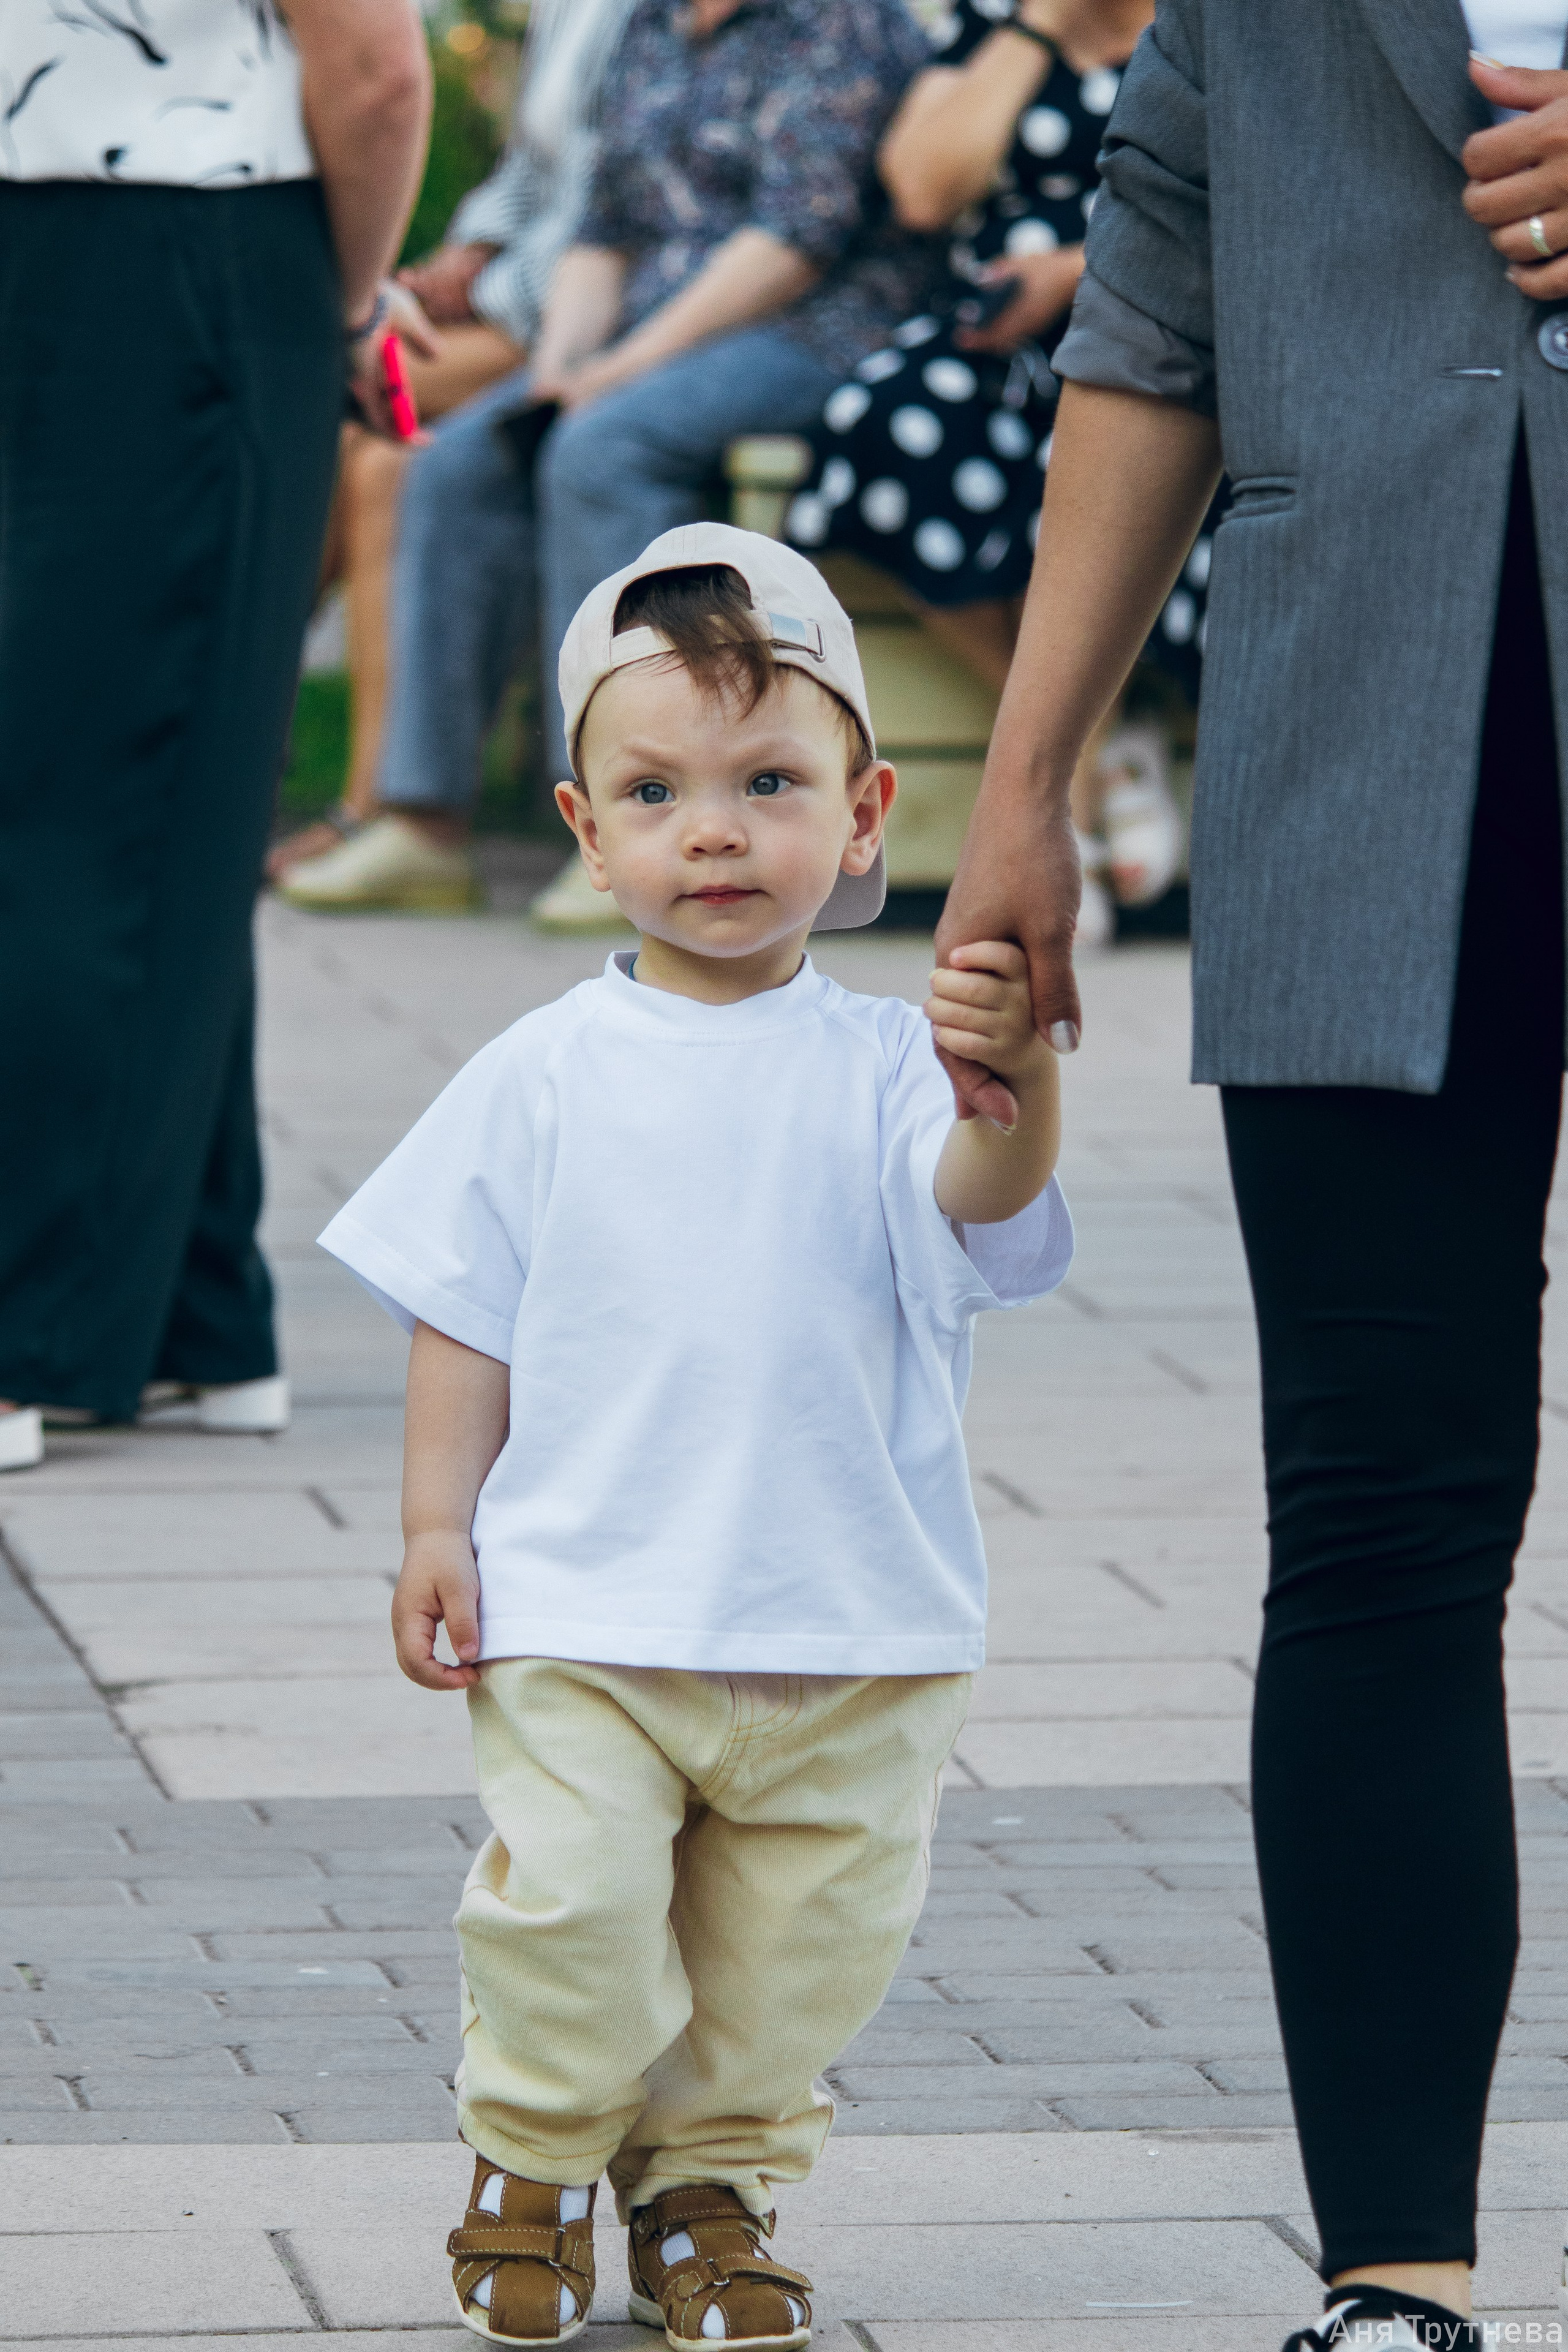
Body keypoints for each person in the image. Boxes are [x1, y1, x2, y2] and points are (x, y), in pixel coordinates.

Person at [935, 2, 1568, 2342]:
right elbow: (1161, 295)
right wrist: (1029, 783)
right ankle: (1395, 2278)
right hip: (1358, 729)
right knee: (1385, 1517)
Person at [317, 525, 1073, 2346]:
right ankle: (528, 2153)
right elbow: (461, 1311)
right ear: (586, 832)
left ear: (867, 810)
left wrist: (1017, 1085)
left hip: (855, 1626)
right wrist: (439, 1529)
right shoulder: (542, 1071)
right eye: (656, 791)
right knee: (568, 1915)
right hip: (587, 1611)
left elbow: (986, 1200)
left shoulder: (895, 1066)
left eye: (768, 783)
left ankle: (709, 2194)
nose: (715, 831)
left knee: (789, 1971)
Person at [0, 0, 431, 1472]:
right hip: (178, 247)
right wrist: (353, 296)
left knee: (92, 785)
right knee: (132, 786)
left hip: (118, 243)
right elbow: (374, 69)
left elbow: (367, 64)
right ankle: (177, 1318)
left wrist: (342, 298)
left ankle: (66, 1328)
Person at [281, 0, 939, 916]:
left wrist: (621, 372)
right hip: (654, 332)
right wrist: (560, 367)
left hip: (811, 328)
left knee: (603, 449)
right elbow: (604, 226)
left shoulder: (843, 24)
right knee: (459, 459)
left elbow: (792, 245)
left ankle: (624, 822)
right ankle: (423, 823)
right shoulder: (655, 23)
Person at [783, 0, 1207, 937]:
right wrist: (1038, 27)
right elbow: (925, 189)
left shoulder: (1208, 30)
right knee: (881, 428)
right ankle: (1099, 766)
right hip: (991, 341)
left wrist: (1078, 272)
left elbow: (1249, 203)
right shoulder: (997, 26)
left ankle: (1062, 825)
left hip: (1164, 334)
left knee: (1084, 484)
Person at [270, 0, 638, 889]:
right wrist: (472, 247)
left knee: (339, 409)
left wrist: (493, 288)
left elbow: (629, 201)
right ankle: (285, 771)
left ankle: (363, 802)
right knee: (368, 449)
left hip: (588, 313)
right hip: (517, 293)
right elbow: (531, 172)